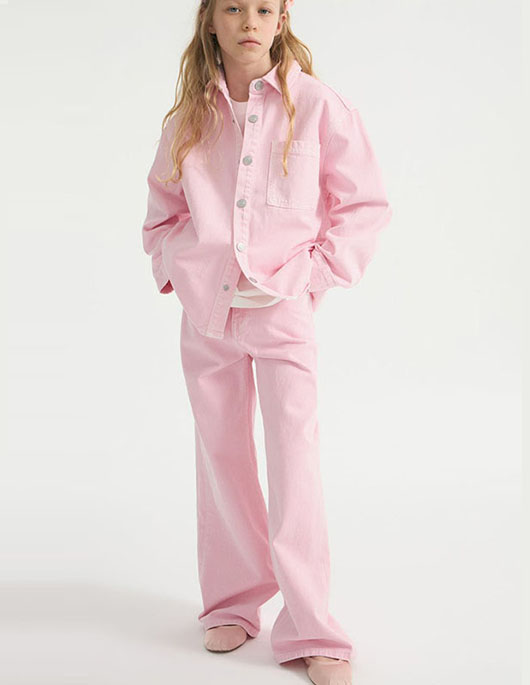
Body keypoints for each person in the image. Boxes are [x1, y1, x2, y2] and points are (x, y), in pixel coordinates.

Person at [141, 1, 392, 683]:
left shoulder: (318, 106)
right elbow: (161, 216)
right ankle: (232, 601)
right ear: (211, 21)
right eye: (233, 7)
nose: (248, 21)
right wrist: (181, 271)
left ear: (282, 19)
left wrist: (312, 277)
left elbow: (363, 205)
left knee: (294, 463)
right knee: (221, 458)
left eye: (262, 8)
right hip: (209, 317)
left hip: (284, 314)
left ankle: (312, 626)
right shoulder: (188, 120)